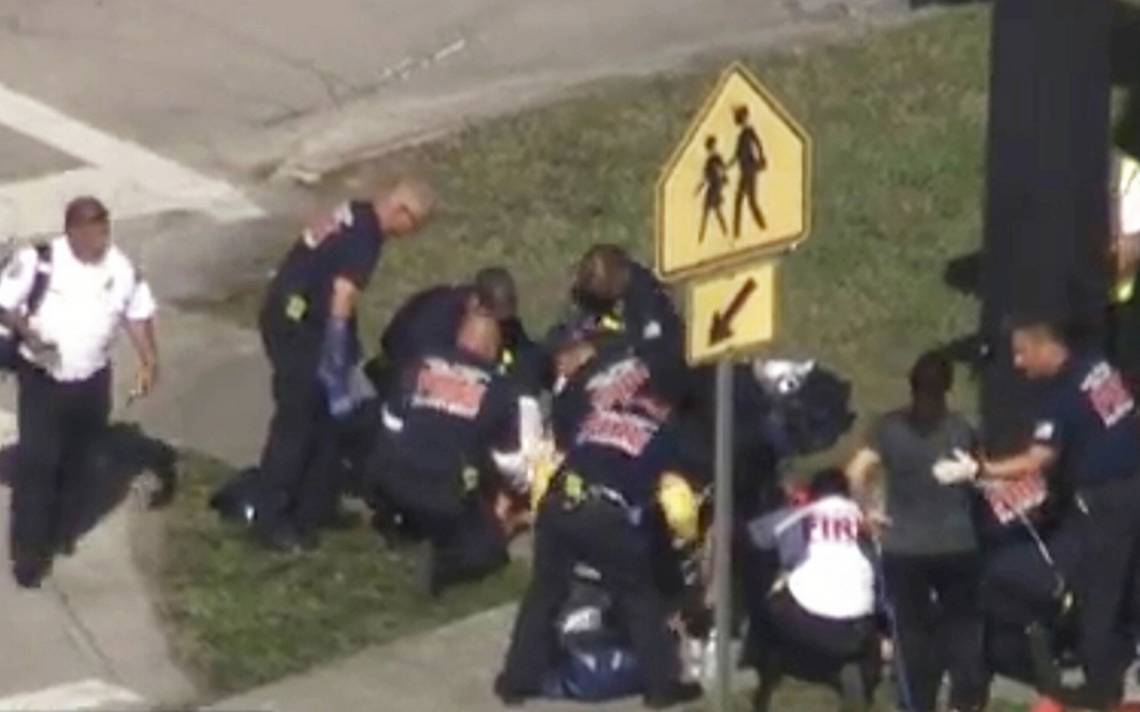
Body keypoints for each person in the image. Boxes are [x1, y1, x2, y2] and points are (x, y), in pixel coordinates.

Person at [935, 317, 1140, 710]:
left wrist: (980, 470)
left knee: (1098, 594)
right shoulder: (1095, 364)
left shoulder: (1061, 396)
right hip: (1133, 482)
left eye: (1022, 352)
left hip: (1105, 503)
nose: (1017, 362)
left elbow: (1037, 459)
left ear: (1045, 347)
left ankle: (1100, 691)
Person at [496, 339, 702, 709]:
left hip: (560, 504)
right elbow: (675, 500)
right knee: (639, 597)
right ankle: (661, 687)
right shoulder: (666, 435)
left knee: (544, 592)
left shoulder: (599, 414)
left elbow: (570, 451)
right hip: (606, 512)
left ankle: (516, 681)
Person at [252, 180, 434, 553]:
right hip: (299, 328)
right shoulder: (365, 237)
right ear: (402, 212)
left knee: (328, 422)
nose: (409, 235)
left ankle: (316, 503)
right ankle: (271, 517)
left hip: (292, 313)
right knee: (298, 420)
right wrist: (336, 353)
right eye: (413, 226)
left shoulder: (357, 213)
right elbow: (342, 294)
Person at [0, 196, 158, 588]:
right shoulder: (38, 261)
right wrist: (31, 339)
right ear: (70, 231)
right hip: (43, 379)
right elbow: (5, 305)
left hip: (92, 380)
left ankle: (60, 530)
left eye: (103, 230)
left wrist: (149, 360)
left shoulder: (121, 269)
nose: (98, 240)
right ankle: (29, 555)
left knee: (80, 461)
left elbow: (137, 314)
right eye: (89, 231)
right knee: (38, 466)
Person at [845, 350, 987, 712]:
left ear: (911, 386)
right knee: (962, 627)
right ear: (948, 388)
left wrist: (868, 511)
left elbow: (856, 471)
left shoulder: (889, 428)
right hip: (958, 543)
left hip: (904, 546)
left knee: (911, 634)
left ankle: (916, 703)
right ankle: (966, 699)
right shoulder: (961, 428)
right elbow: (980, 475)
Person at [370, 312, 532, 595]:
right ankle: (441, 567)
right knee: (490, 547)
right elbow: (511, 464)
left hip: (387, 478)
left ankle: (398, 525)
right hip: (441, 493)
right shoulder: (502, 391)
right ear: (494, 349)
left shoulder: (420, 363)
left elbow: (391, 424)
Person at [747, 468, 881, 712]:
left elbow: (755, 536)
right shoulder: (865, 521)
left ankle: (765, 673)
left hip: (807, 621)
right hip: (859, 627)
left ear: (813, 494)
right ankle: (858, 676)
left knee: (767, 603)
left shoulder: (801, 515)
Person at [376, 267, 538, 389]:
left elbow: (520, 352)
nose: (496, 328)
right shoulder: (433, 315)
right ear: (475, 302)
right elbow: (400, 352)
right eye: (493, 319)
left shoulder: (503, 323)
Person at [553, 244, 685, 385]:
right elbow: (600, 323)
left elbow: (650, 345)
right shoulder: (613, 301)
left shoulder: (647, 298)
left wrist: (595, 350)